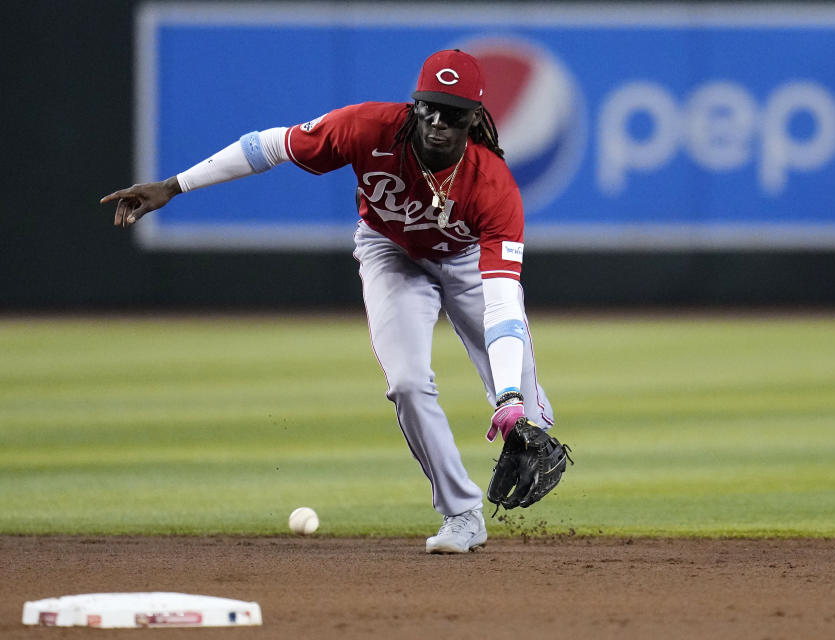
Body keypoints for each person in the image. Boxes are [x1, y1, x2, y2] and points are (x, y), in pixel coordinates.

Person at [102, 49, 557, 553]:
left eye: (451, 113)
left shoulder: (492, 185)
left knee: (525, 408)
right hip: (392, 251)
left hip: (468, 260)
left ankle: (522, 408)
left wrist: (510, 399)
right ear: (414, 104)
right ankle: (462, 514)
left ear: (474, 117)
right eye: (427, 107)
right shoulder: (366, 128)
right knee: (406, 382)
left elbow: (501, 304)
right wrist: (173, 186)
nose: (436, 122)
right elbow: (267, 146)